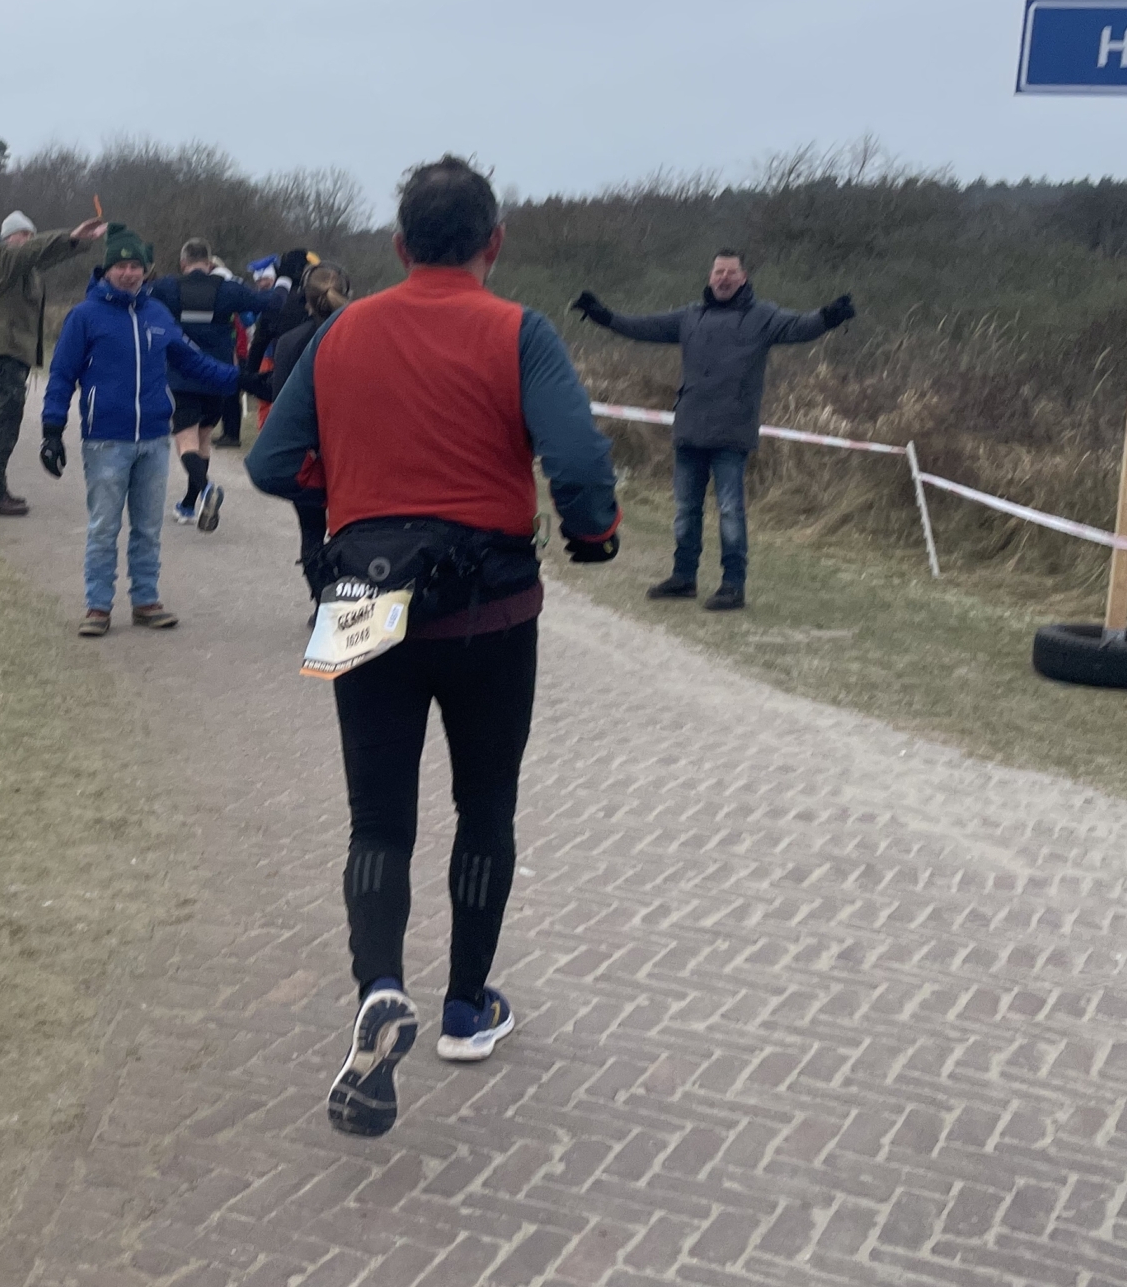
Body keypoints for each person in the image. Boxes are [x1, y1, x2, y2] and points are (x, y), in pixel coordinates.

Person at [247, 156, 622, 1138]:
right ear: (492, 242)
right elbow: (578, 461)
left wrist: (353, 502)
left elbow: (268, 460)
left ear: (400, 244)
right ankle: (464, 1007)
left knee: (376, 818)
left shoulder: (338, 330)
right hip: (485, 608)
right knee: (483, 804)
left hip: (363, 599)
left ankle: (378, 986)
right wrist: (592, 529)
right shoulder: (518, 331)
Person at [572, 251, 855, 611]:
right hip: (689, 428)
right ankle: (683, 577)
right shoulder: (690, 316)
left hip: (731, 433)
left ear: (743, 277)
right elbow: (643, 327)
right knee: (686, 509)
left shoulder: (762, 317)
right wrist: (603, 316)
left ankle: (733, 585)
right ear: (710, 277)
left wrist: (829, 316)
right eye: (718, 271)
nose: (723, 278)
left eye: (730, 272)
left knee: (730, 511)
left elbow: (801, 327)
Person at [40, 224, 263, 637]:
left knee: (147, 526)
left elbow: (194, 362)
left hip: (154, 439)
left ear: (147, 270)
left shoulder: (158, 314)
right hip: (106, 438)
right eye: (121, 266)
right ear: (107, 270)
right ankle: (97, 606)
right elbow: (61, 374)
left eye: (136, 266)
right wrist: (52, 428)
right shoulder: (85, 317)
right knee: (104, 526)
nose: (128, 273)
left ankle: (145, 599)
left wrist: (243, 381)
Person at [148, 238, 288, 532]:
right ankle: (188, 504)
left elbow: (138, 301)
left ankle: (207, 490)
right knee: (203, 439)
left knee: (185, 441)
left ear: (183, 263)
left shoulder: (168, 288)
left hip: (181, 376)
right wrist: (284, 281)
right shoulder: (227, 289)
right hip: (219, 377)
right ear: (210, 263)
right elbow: (269, 304)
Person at [0, 209, 107, 516]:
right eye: (24, 235)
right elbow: (33, 252)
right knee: (6, 420)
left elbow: (45, 257)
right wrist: (69, 234)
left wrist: (77, 243)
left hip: (15, 350)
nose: (30, 241)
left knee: (9, 419)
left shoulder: (20, 266)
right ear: (10, 236)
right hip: (4, 347)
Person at [261, 260, 354, 601]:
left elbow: (281, 402)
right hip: (354, 448)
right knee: (355, 527)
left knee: (312, 529)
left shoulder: (289, 342)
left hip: (310, 452)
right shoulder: (362, 334)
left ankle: (322, 599)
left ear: (305, 299)